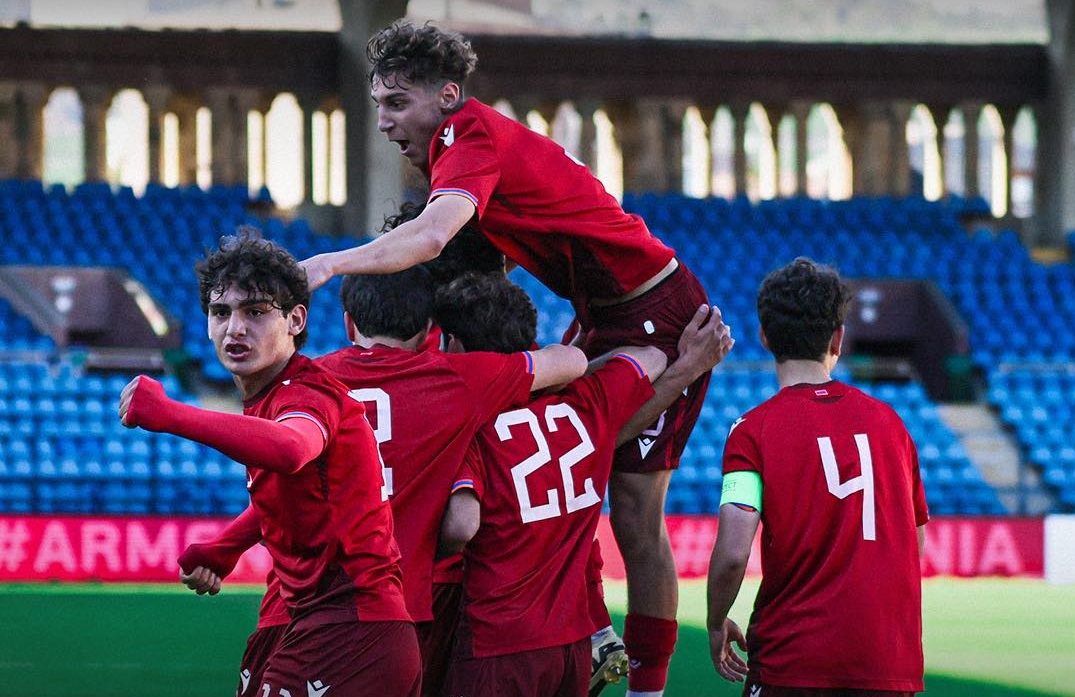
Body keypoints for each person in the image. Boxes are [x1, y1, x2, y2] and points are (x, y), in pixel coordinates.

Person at [300, 20, 726, 695]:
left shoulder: (465, 136)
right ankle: (590, 627)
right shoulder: (459, 148)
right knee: (555, 442)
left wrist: (327, 263)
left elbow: (433, 237)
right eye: (378, 103)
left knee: (633, 510)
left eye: (396, 103)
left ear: (445, 95)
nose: (383, 121)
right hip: (606, 312)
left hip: (657, 311)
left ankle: (646, 684)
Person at [177, 260, 586, 697]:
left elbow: (283, 488)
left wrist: (226, 546)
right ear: (429, 329)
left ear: (348, 323)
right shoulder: (457, 380)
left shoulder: (303, 383)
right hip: (396, 612)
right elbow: (571, 361)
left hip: (295, 605)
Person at [118, 230, 421, 697]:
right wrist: (225, 547)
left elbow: (290, 449)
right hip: (317, 620)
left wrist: (170, 414)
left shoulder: (307, 393)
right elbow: (289, 490)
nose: (235, 329)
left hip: (352, 628)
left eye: (256, 312)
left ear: (296, 319)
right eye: (221, 313)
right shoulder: (270, 397)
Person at [435, 273, 730, 697]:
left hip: (496, 645)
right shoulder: (583, 408)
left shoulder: (470, 433)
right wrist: (687, 367)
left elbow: (460, 526)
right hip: (572, 647)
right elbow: (648, 357)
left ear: (456, 346)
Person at [707, 258, 928, 696]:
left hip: (793, 663)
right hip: (889, 665)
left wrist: (716, 622)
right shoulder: (892, 425)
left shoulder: (751, 431)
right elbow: (914, 539)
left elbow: (733, 552)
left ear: (765, 336)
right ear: (837, 338)